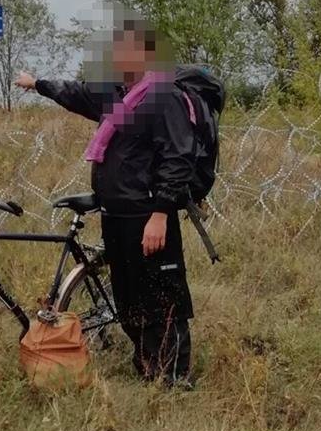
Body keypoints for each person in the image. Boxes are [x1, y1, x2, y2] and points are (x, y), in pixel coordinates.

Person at [16, 22, 196, 387]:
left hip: (147, 215)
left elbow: (178, 158)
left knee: (161, 296)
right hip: (116, 215)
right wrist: (38, 85)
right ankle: (148, 365)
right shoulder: (120, 97)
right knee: (130, 296)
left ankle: (173, 378)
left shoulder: (164, 97)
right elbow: (77, 94)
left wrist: (161, 213)